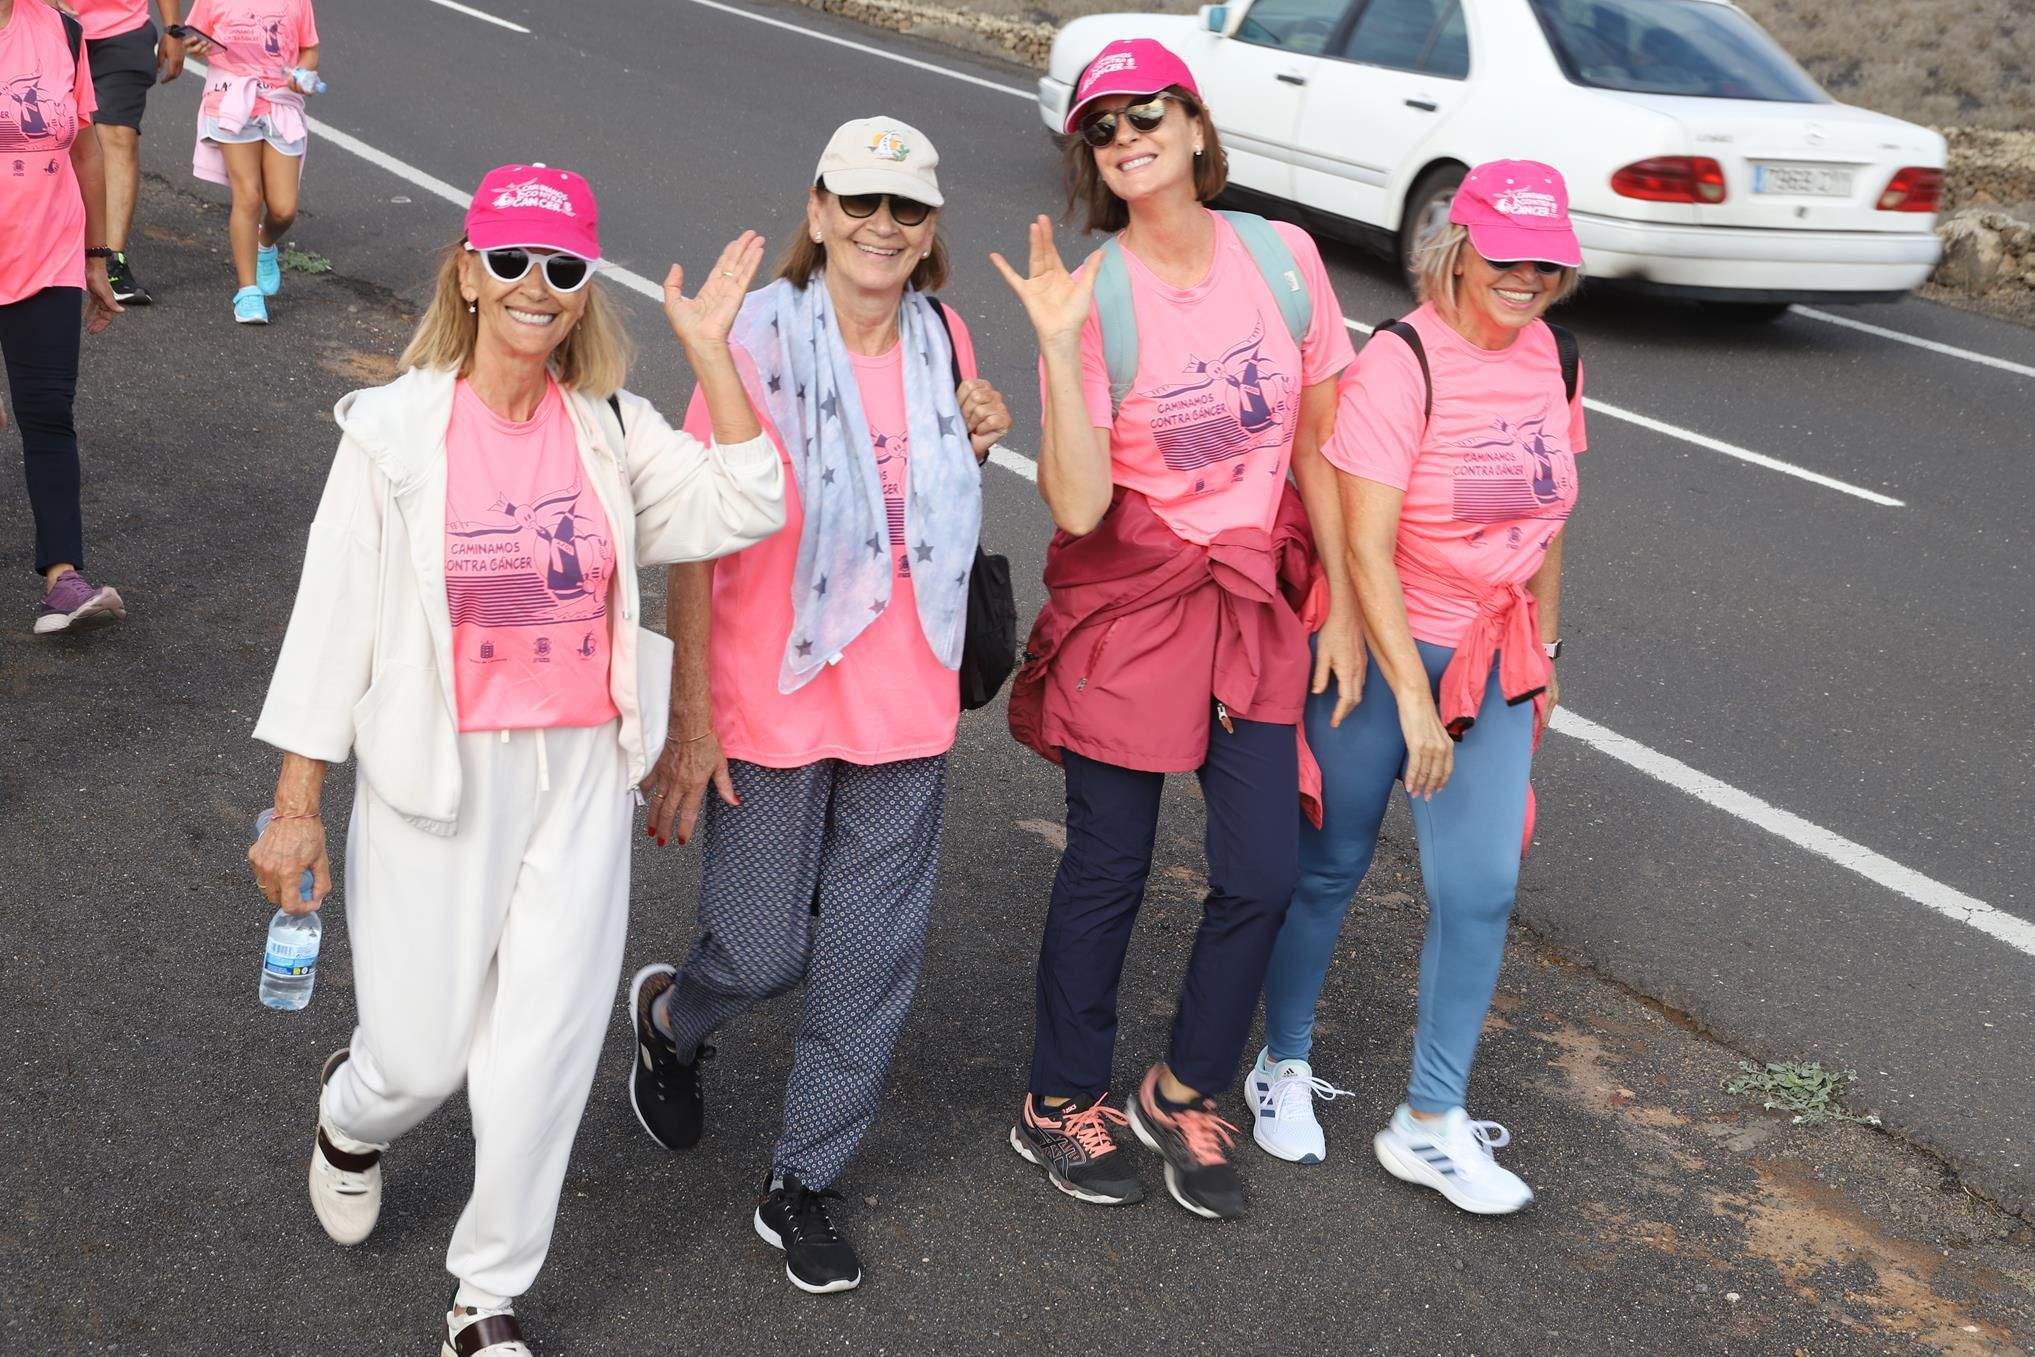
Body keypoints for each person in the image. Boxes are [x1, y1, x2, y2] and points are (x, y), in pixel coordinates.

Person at [246, 162, 785, 1354]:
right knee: (422, 1056)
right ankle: (355, 1112)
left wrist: (711, 355)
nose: (535, 287)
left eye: (564, 268)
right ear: (468, 272)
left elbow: (746, 501)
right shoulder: (392, 434)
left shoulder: (609, 429)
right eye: (512, 261)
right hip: (435, 778)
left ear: (586, 290)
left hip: (579, 773)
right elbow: (329, 622)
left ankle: (484, 1298)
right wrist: (295, 805)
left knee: (542, 1053)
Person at [629, 115, 1012, 1296]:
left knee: (866, 957)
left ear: (930, 228)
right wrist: (690, 712)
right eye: (858, 202)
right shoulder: (750, 336)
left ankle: (804, 1178)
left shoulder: (947, 336)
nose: (879, 227)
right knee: (755, 946)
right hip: (768, 690)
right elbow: (694, 534)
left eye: (904, 210)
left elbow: (932, 498)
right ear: (817, 210)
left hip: (905, 696)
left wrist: (982, 429)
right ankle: (676, 1017)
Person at [992, 38, 1354, 1221]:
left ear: (1195, 125)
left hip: (1249, 605)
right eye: (1102, 125)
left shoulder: (1283, 259)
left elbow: (1319, 448)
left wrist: (1342, 605)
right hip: (1135, 600)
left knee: (1258, 870)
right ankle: (1059, 1099)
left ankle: (1182, 1086)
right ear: (1090, 157)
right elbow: (1081, 505)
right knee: (1109, 865)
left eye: (1148, 111)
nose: (1127, 134)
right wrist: (1053, 348)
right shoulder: (1095, 296)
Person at [1253, 161, 1587, 1214]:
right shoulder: (1402, 361)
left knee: (1479, 887)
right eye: (1504, 254)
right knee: (1330, 865)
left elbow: (1549, 523)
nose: (1523, 277)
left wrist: (1550, 654)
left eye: (1544, 260)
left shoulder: (1557, 358)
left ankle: (1430, 1122)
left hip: (1497, 660)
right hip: (1388, 651)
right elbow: (1363, 544)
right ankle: (1283, 1063)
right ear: (1458, 246)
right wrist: (1408, 694)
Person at [1, 0, 126, 634]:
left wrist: (97, 259)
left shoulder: (59, 27)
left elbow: (86, 152)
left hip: (45, 253)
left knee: (48, 413)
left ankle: (62, 575)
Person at [178, 0, 315, 324]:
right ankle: (248, 292)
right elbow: (193, 38)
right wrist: (195, 47)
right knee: (248, 195)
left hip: (280, 104)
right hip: (230, 100)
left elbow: (309, 48)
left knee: (283, 210)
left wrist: (303, 73)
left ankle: (264, 242)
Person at [74, 0, 184, 303]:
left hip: (122, 30)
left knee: (119, 134)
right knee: (47, 138)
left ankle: (110, 260)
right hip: (49, 25)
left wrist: (173, 29)